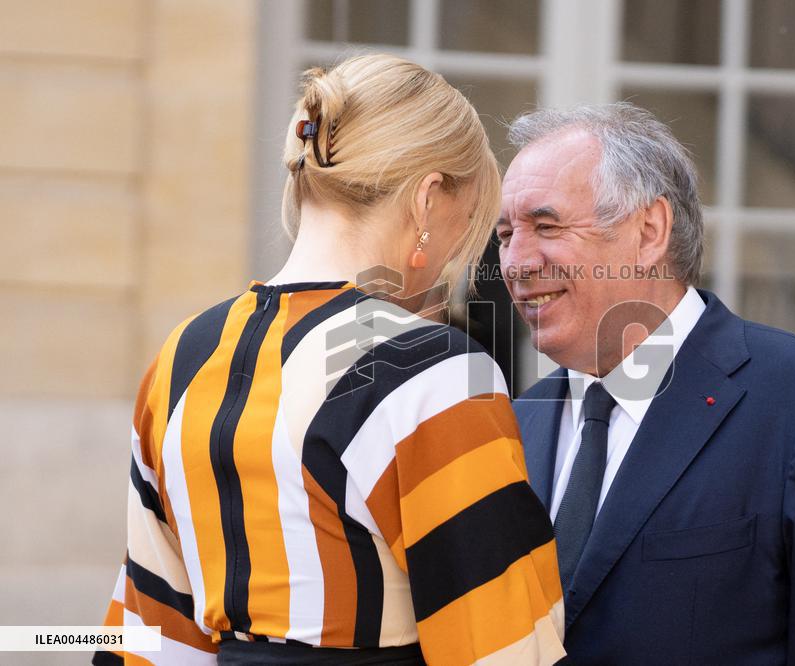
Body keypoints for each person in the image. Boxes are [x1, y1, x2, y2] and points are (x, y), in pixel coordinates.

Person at [94, 55, 567, 665]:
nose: (461, 249)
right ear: (427, 200)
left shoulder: (184, 354)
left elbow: (146, 633)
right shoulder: (430, 367)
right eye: (471, 216)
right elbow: (502, 644)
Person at [497, 102, 795, 664]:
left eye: (546, 226)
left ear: (649, 233)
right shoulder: (518, 419)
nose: (516, 261)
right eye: (505, 235)